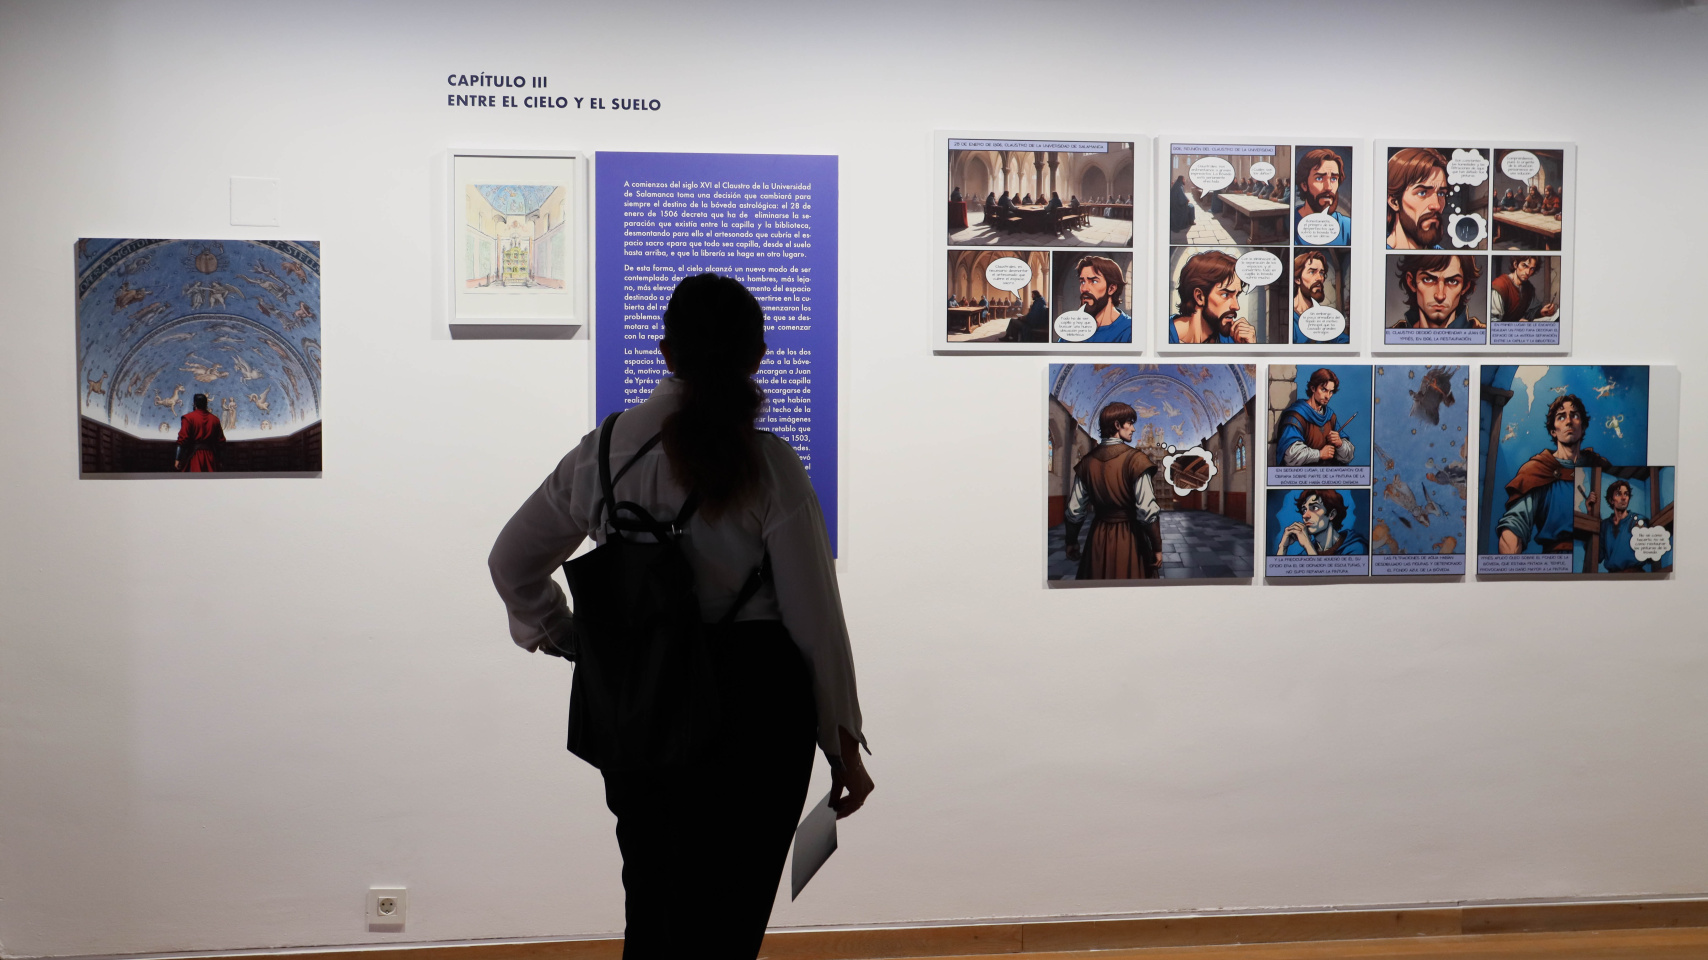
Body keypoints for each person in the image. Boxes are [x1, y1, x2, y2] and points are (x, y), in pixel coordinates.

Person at [488, 273, 873, 959]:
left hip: (639, 699)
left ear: (666, 352)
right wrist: (841, 741)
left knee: (653, 904)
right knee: (728, 918)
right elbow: (815, 618)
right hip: (753, 709)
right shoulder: (769, 464)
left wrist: (569, 637)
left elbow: (511, 563)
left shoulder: (602, 451)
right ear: (757, 358)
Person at [1497, 393, 1612, 554]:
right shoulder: (1537, 470)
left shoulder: (1599, 467)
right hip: (1557, 560)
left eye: (1575, 415)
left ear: (1583, 426)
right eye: (1561, 417)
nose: (1569, 421)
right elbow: (1514, 525)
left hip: (1595, 559)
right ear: (1553, 431)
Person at [1062, 402, 1161, 579]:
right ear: (1117, 425)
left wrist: (1071, 541)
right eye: (1129, 423)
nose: (1133, 429)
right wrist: (1157, 547)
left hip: (1097, 538)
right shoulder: (1136, 460)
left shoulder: (1086, 463)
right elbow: (1147, 511)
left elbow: (1074, 510)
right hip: (1130, 538)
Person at [1274, 368, 1355, 467]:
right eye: (1324, 390)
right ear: (1313, 388)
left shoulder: (1330, 417)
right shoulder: (1297, 416)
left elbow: (1349, 456)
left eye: (1331, 392)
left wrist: (1340, 444)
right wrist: (1319, 454)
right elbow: (1291, 455)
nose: (1328, 396)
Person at [1169, 250, 1254, 343]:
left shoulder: (1233, 340)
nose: (1236, 306)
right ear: (1199, 297)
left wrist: (1248, 348)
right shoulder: (1163, 335)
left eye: (1236, 295)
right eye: (1225, 295)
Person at [1392, 254, 1483, 329]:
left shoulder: (1483, 333)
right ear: (1411, 283)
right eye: (1428, 280)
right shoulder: (1392, 336)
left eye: (1452, 281)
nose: (1440, 296)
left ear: (1465, 287)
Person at [1386, 147, 1451, 249]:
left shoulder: (1445, 256)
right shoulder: (1378, 251)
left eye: (1441, 194)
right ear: (1394, 202)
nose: (1437, 205)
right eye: (1422, 193)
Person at [1276, 489, 1366, 556]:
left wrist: (1307, 545)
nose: (1305, 516)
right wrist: (1283, 547)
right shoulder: (1306, 552)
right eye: (1304, 510)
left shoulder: (1355, 548)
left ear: (1331, 514)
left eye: (1314, 508)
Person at [1295, 147, 1352, 245]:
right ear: (1304, 185)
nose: (1329, 187)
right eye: (1319, 178)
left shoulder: (1347, 227)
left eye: (1333, 179)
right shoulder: (1288, 222)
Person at [1291, 250, 1348, 344]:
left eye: (1321, 273)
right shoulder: (1290, 316)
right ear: (1297, 279)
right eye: (1312, 272)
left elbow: (1341, 339)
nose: (1320, 278)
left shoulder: (1321, 314)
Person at [1074, 255, 1131, 344]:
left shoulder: (1129, 330)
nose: (1084, 289)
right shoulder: (1075, 328)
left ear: (1111, 289)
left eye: (1094, 281)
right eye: (1083, 282)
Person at [1599, 479, 1652, 573]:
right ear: (1611, 500)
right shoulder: (1605, 525)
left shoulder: (1638, 520)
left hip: (1635, 574)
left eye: (1626, 494)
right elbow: (1598, 556)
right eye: (1618, 494)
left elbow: (1649, 554)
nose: (1623, 498)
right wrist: (1590, 512)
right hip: (1612, 576)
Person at [1490, 256, 1558, 322]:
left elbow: (1530, 313)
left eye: (1532, 269)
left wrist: (1540, 312)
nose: (1528, 272)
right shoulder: (1500, 286)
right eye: (1524, 266)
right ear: (1515, 264)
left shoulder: (1528, 287)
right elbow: (1493, 321)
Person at [174, 392, 225, 472]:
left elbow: (182, 439)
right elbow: (221, 442)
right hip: (211, 457)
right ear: (206, 404)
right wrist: (220, 460)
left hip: (194, 456)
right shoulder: (215, 420)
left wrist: (178, 458)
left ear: (194, 404)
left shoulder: (188, 418)